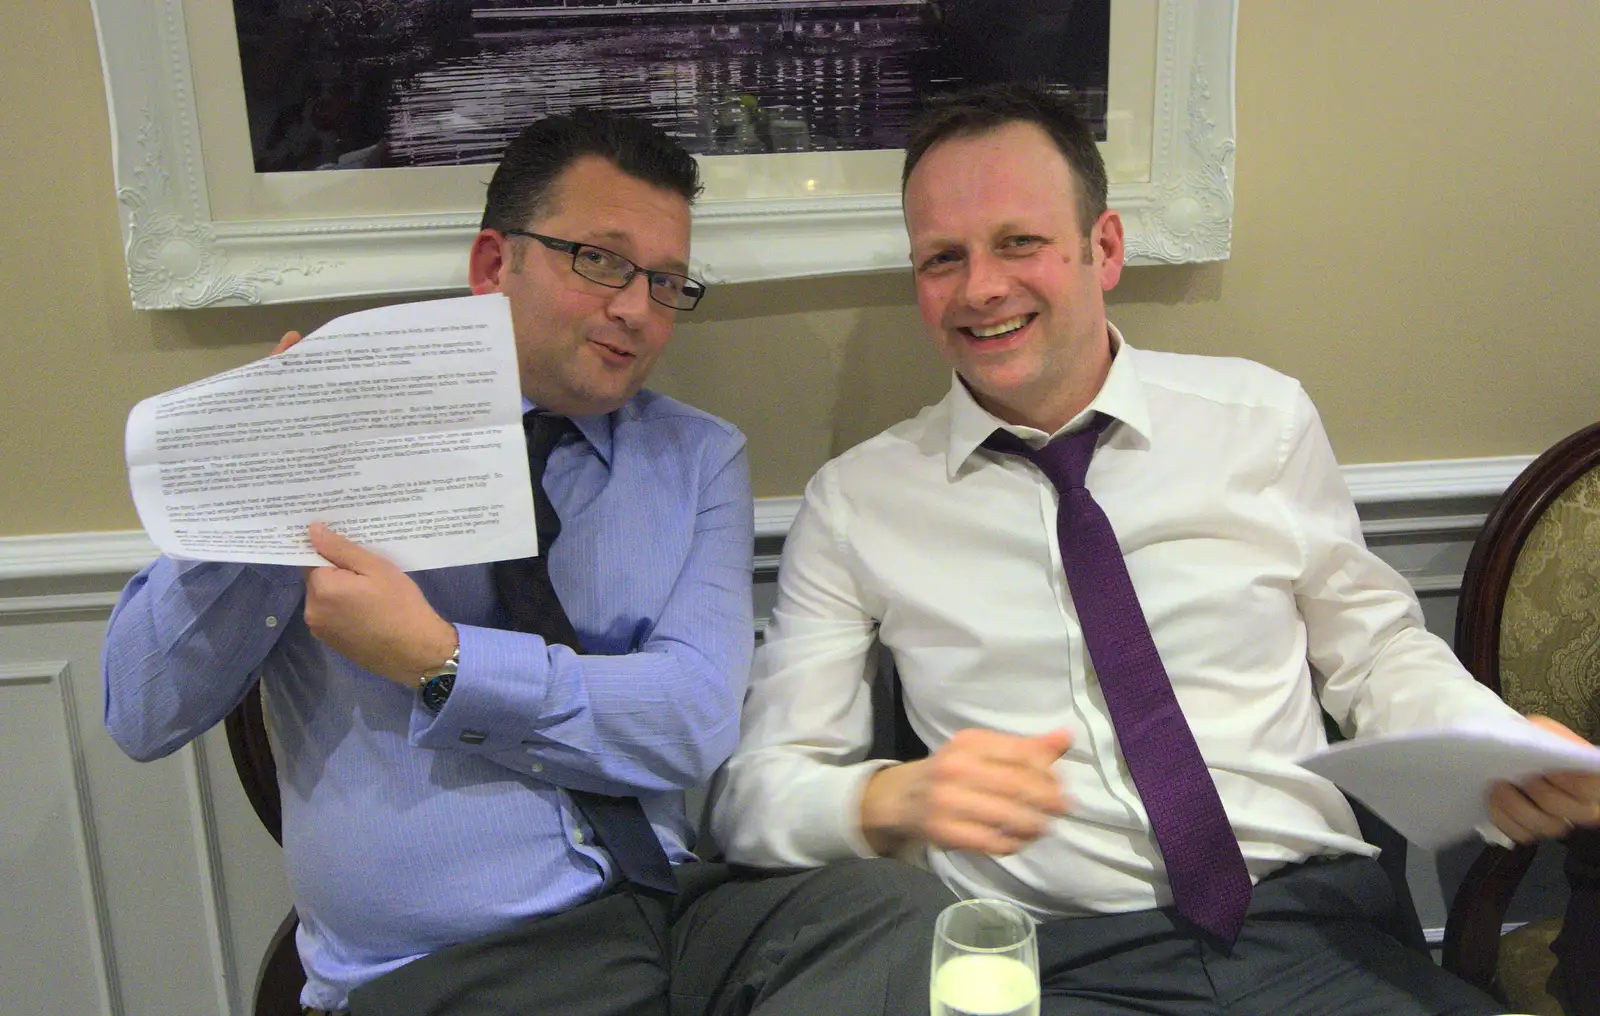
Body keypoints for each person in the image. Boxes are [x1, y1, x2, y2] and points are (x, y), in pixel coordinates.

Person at [711, 83, 1600, 1016]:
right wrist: (887, 801)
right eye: (942, 258)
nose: (980, 287)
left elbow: (1376, 655)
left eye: (1019, 241)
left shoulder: (1262, 420)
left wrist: (1490, 741)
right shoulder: (859, 501)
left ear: (1105, 248)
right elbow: (756, 796)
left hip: (1313, 933)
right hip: (1054, 965)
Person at [104, 108, 950, 1016]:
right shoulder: (349, 434)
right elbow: (141, 710)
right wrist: (278, 477)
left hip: (668, 912)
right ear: (490, 267)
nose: (636, 308)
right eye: (600, 260)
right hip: (451, 961)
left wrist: (442, 663)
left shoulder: (697, 458)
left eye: (667, 281)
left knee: (896, 915)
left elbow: (693, 718)